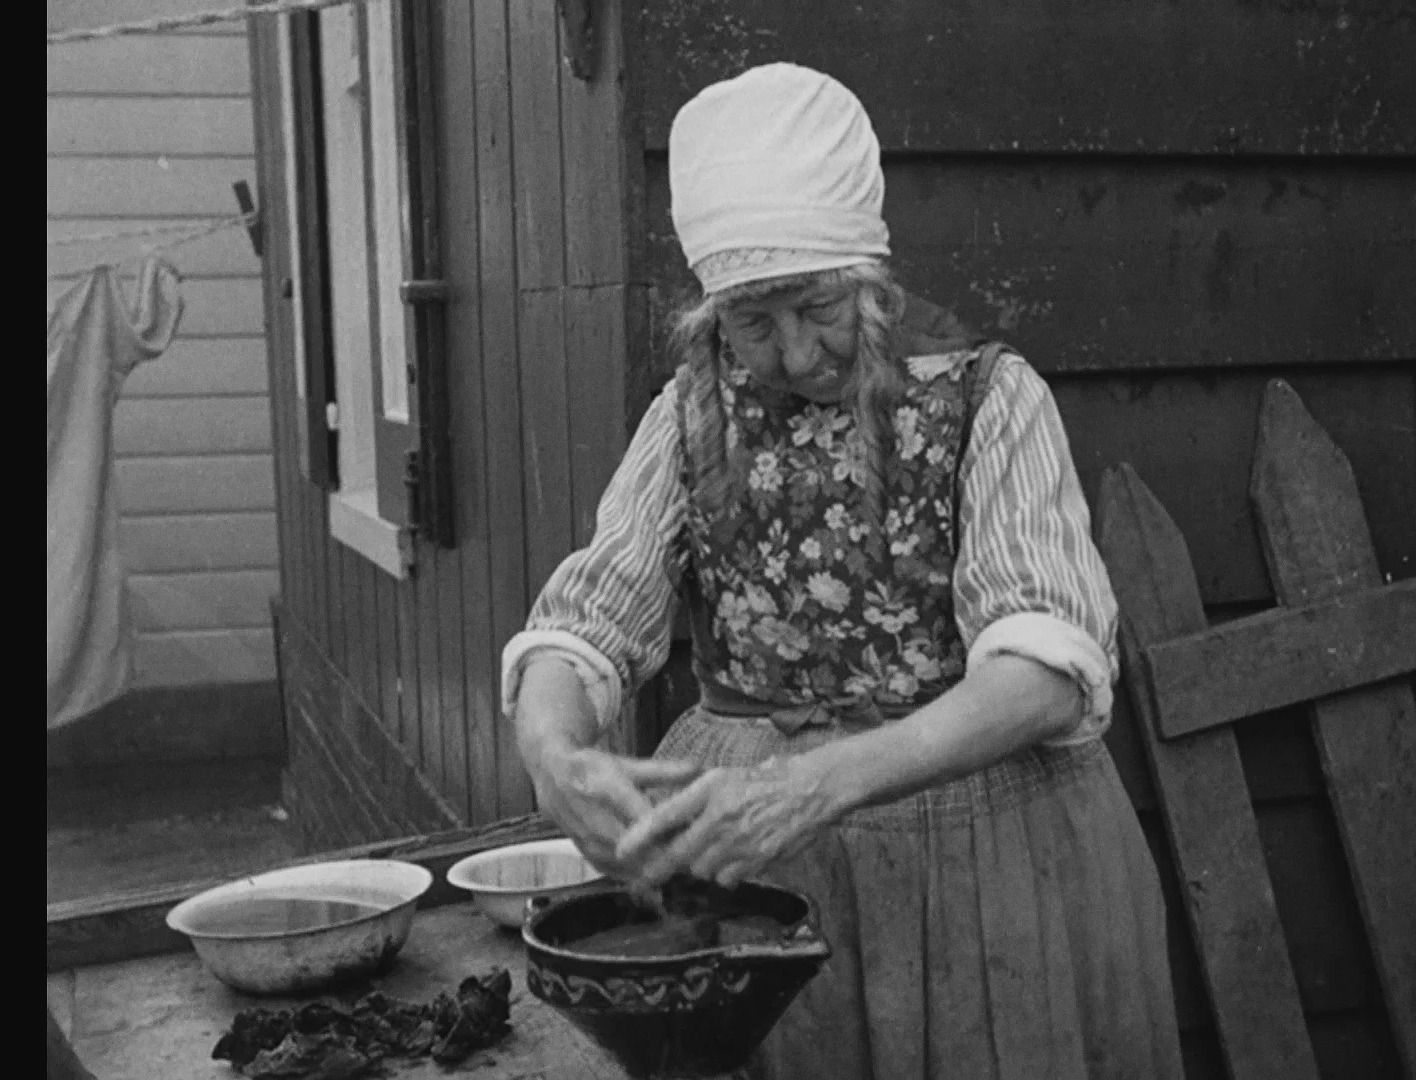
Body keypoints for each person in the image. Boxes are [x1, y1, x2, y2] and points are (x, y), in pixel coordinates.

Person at [502, 63, 1183, 1079]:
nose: (791, 351)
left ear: (868, 274)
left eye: (817, 307)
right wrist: (554, 754)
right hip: (763, 878)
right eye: (750, 320)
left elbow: (1044, 674)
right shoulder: (692, 413)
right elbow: (589, 620)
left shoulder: (985, 399)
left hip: (985, 858)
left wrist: (818, 782)